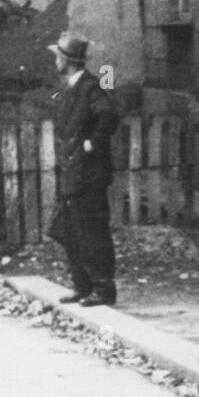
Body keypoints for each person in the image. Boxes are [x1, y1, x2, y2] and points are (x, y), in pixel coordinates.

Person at [47, 32, 120, 307]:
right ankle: (82, 286)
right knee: (70, 231)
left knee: (92, 233)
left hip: (89, 175)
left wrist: (92, 143)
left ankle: (103, 289)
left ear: (67, 60)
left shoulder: (91, 87)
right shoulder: (69, 88)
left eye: (58, 57)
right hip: (71, 174)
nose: (55, 61)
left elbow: (109, 115)